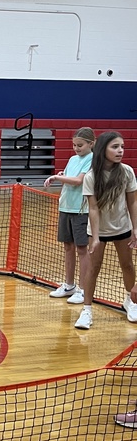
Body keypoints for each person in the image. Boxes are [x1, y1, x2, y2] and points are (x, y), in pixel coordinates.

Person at [74, 131, 137, 331]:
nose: (120, 151)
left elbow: (133, 201)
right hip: (97, 231)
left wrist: (135, 228)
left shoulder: (127, 172)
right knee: (93, 268)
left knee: (127, 265)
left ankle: (130, 302)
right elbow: (93, 208)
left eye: (122, 147)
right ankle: (86, 310)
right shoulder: (91, 176)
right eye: (115, 147)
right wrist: (96, 237)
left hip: (122, 228)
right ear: (103, 149)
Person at [43, 127, 95, 305]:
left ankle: (83, 289)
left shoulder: (92, 159)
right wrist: (60, 175)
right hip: (65, 206)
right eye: (74, 145)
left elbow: (78, 180)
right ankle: (69, 285)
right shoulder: (73, 159)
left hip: (81, 209)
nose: (76, 148)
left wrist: (58, 178)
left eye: (80, 145)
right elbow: (69, 176)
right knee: (67, 246)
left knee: (82, 249)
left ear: (91, 143)